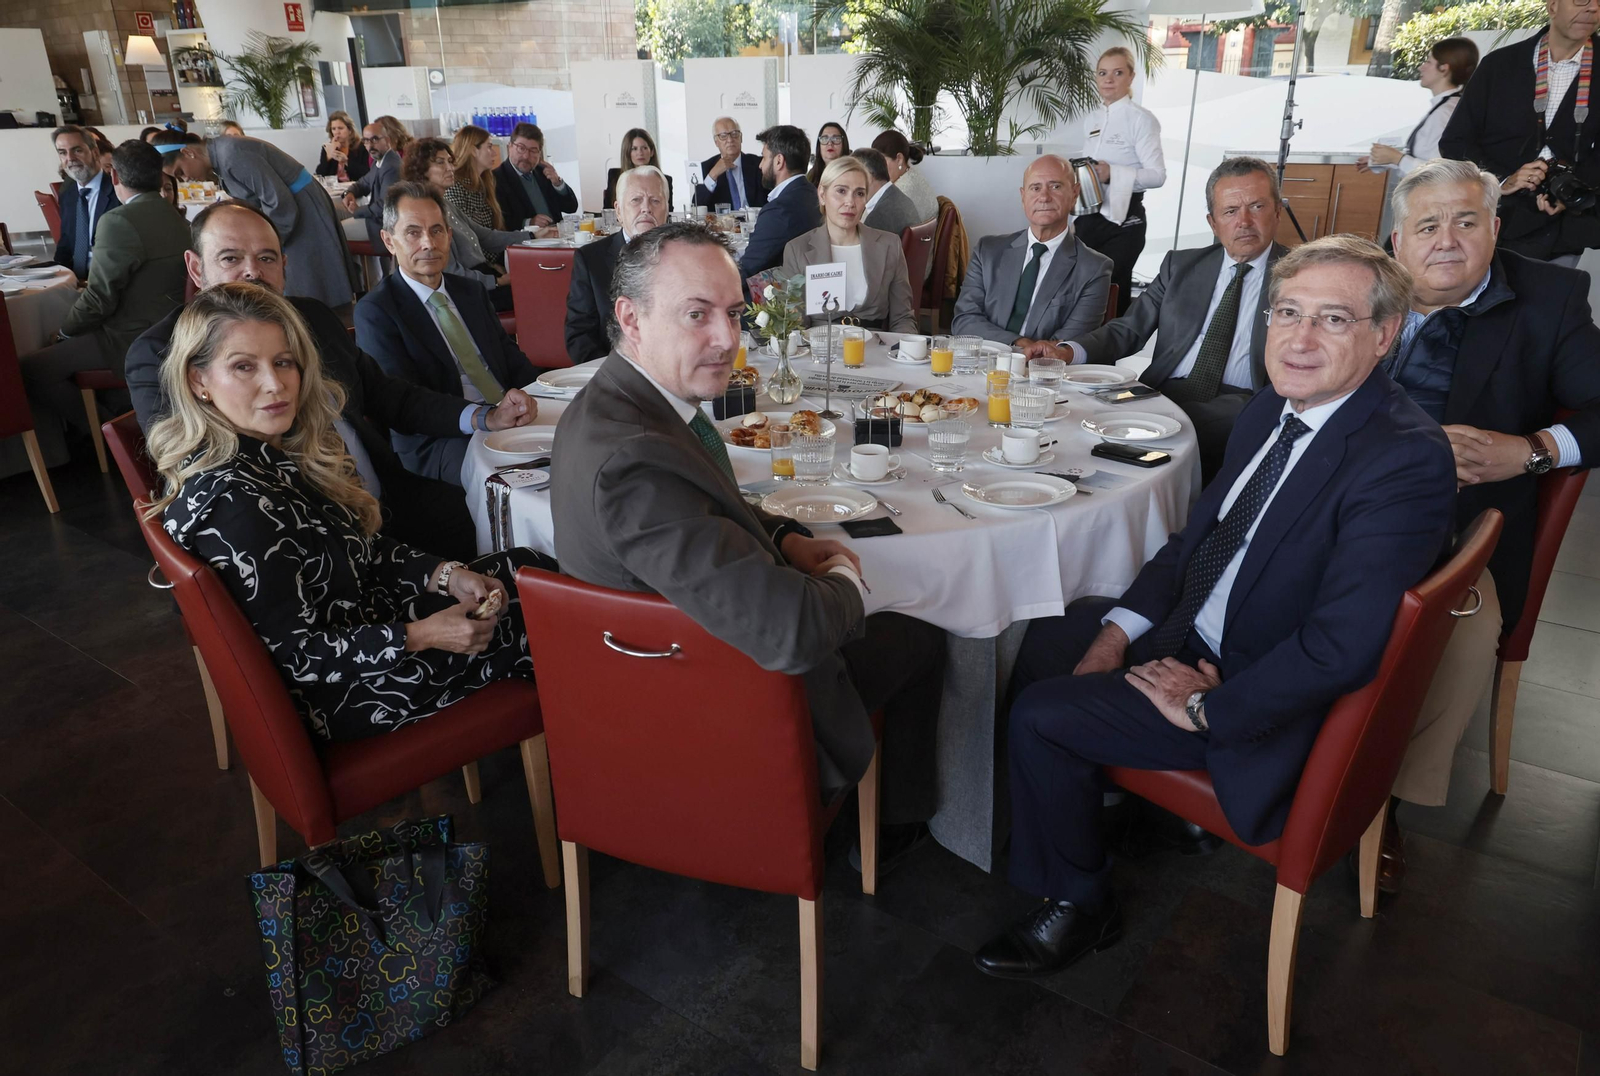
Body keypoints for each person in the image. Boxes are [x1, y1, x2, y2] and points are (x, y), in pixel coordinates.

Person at [972, 235, 1457, 979]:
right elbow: (1193, 545)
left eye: (1332, 320)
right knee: (1044, 639)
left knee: (1043, 717)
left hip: (1250, 687)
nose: (1298, 338)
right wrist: (1115, 631)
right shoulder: (1276, 409)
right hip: (1201, 624)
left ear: (1384, 336)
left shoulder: (1403, 459)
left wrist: (1207, 709)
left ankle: (1078, 902)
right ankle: (1116, 811)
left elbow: (1341, 647)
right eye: (1288, 311)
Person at [549, 222, 947, 869]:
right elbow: (790, 631)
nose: (726, 339)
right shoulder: (633, 462)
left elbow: (703, 505)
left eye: (734, 314)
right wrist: (847, 579)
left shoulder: (623, 404)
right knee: (924, 629)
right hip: (714, 702)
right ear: (630, 317)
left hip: (677, 654)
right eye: (696, 314)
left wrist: (786, 538)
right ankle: (885, 829)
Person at [149, 282, 552, 742]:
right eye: (244, 367)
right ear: (198, 380)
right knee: (552, 616)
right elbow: (298, 656)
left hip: (367, 629)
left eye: (283, 362)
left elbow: (356, 546)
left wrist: (444, 574)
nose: (275, 384)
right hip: (343, 694)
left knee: (530, 572)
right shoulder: (237, 505)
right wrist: (422, 634)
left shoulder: (264, 452)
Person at [1380, 158, 1600, 845]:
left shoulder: (1549, 298)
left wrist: (1530, 449)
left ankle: (1375, 802)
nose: (1446, 239)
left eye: (1466, 221)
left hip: (1459, 526)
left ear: (1496, 228)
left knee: (1462, 629)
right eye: (1427, 225)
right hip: (1342, 492)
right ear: (1397, 243)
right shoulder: (1361, 287)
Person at [127, 201, 524, 558]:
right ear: (197, 268)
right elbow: (193, 460)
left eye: (266, 258)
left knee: (502, 525)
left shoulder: (313, 318)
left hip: (385, 500)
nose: (252, 271)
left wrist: (481, 417)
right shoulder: (161, 353)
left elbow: (388, 396)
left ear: (284, 265)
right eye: (230, 258)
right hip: (293, 533)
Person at [1031, 157, 1288, 483]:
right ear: (1212, 222)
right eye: (1230, 211)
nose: (1244, 221)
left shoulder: (1300, 277)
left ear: (1277, 211)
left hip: (1244, 400)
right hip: (1163, 393)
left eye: (1257, 207)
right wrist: (1066, 352)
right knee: (1075, 415)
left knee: (1170, 432)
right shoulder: (1181, 266)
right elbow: (1128, 329)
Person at [358, 183, 541, 485]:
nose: (428, 243)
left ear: (449, 236)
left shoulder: (470, 291)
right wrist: (483, 418)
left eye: (437, 230)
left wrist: (531, 396)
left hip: (505, 416)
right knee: (520, 481)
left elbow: (507, 354)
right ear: (389, 241)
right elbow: (404, 404)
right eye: (413, 232)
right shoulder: (377, 311)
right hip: (439, 439)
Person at [21, 140, 188, 467]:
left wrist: (64, 333)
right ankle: (118, 421)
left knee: (33, 369)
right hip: (173, 329)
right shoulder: (179, 219)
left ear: (115, 177)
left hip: (130, 337)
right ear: (160, 178)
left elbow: (98, 299)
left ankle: (111, 436)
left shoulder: (120, 221)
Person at [1439, 0, 1600, 266]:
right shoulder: (1500, 65)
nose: (1592, 8)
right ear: (1552, 7)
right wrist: (1502, 180)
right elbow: (1455, 142)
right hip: (1494, 220)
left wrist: (1573, 190)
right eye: (1581, 0)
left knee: (1550, 305)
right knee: (1481, 303)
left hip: (1565, 230)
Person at [154, 130, 355, 310]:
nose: (185, 179)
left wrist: (267, 247)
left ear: (188, 153)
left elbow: (279, 202)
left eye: (180, 172)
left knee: (314, 288)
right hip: (292, 207)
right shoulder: (222, 156)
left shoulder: (231, 154)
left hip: (300, 209)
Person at [952, 155, 1112, 349]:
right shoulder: (988, 251)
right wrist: (1019, 344)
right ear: (1023, 196)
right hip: (984, 365)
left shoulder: (1094, 268)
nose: (1044, 197)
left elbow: (1069, 345)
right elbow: (964, 321)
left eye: (1055, 187)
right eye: (1035, 188)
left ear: (1075, 194)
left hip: (1043, 373)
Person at [1073, 47, 1166, 319]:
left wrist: (1111, 172)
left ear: (1131, 77)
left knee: (1110, 288)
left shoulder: (1142, 120)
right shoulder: (1092, 118)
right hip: (1089, 216)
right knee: (1079, 287)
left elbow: (1157, 175)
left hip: (1125, 221)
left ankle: (1110, 354)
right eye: (1103, 73)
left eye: (1117, 72)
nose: (1109, 79)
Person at [780, 157, 917, 333]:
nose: (850, 202)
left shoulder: (889, 245)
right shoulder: (798, 249)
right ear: (822, 195)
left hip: (874, 350)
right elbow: (794, 323)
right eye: (841, 191)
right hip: (820, 350)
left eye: (859, 193)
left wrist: (904, 353)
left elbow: (902, 318)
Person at [405, 137, 535, 313]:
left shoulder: (444, 204)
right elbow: (450, 272)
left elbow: (486, 236)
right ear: (421, 170)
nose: (450, 168)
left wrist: (533, 236)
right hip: (465, 288)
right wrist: (496, 281)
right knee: (535, 295)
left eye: (450, 162)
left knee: (539, 285)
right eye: (440, 163)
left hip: (480, 278)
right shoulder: (425, 212)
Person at [566, 165, 668, 364]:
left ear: (667, 209)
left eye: (655, 200)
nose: (646, 208)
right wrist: (614, 377)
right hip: (614, 374)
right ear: (619, 211)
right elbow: (579, 335)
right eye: (636, 200)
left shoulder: (685, 255)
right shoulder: (590, 260)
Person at [1357, 38, 1477, 180]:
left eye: (1428, 62)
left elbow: (1439, 172)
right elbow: (1426, 159)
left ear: (1444, 68)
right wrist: (1387, 159)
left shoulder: (1445, 112)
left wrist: (1398, 159)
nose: (1421, 67)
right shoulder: (1445, 106)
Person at [736, 124, 819, 281]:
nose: (760, 165)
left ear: (779, 161)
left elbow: (748, 269)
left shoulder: (780, 209)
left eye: (764, 157)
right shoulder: (812, 194)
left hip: (780, 296)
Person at [52, 124, 122, 280]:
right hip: (74, 280)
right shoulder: (68, 194)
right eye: (63, 153)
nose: (70, 159)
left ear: (95, 152)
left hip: (108, 280)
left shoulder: (119, 191)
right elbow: (65, 244)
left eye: (77, 150)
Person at [496, 122, 579, 229]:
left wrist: (557, 183)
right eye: (521, 148)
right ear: (510, 147)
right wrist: (529, 223)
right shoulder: (496, 178)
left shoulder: (544, 172)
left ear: (540, 153)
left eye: (533, 151)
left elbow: (571, 207)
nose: (526, 156)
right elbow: (499, 222)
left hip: (557, 236)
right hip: (525, 242)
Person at [343, 120, 400, 250]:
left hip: (382, 225)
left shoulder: (391, 166)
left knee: (337, 232)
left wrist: (358, 211)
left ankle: (357, 270)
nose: (370, 145)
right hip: (376, 219)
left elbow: (384, 206)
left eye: (374, 139)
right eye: (366, 141)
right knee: (337, 216)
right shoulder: (379, 161)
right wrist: (349, 193)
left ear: (387, 140)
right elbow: (364, 182)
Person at [444, 124, 511, 233]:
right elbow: (466, 234)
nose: (494, 153)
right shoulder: (454, 187)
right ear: (473, 150)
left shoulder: (485, 182)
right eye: (489, 147)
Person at [694, 116, 768, 211]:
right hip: (722, 224)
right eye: (723, 136)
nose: (730, 140)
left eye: (734, 134)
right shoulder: (706, 167)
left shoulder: (759, 163)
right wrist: (713, 175)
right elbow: (696, 205)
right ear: (716, 142)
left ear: (741, 138)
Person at [852, 147, 922, 238]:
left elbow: (864, 251)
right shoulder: (897, 196)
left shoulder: (878, 217)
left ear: (868, 176)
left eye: (853, 175)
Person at [871, 130, 938, 224]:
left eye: (881, 161)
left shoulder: (899, 193)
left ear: (899, 159)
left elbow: (870, 227)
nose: (877, 168)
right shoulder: (913, 176)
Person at [603, 127, 674, 211]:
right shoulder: (615, 176)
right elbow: (608, 211)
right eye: (634, 149)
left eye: (644, 148)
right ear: (627, 152)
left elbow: (667, 212)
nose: (640, 153)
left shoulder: (664, 180)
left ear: (651, 152)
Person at [316, 110, 370, 182]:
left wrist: (346, 162)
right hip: (335, 189)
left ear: (350, 130)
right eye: (333, 129)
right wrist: (328, 158)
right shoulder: (327, 147)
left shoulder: (362, 147)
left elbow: (366, 173)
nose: (337, 132)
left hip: (357, 188)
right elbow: (320, 175)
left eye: (340, 128)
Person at [806, 122, 851, 186]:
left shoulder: (851, 172)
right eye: (825, 138)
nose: (830, 143)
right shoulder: (812, 174)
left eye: (835, 139)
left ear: (844, 144)